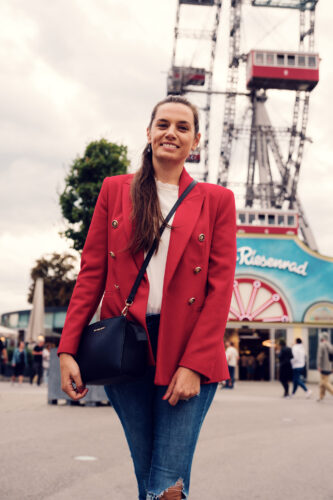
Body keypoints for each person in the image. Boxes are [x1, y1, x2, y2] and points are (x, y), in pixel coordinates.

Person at [58, 95, 237, 500]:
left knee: (166, 480)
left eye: (182, 127)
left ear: (196, 140)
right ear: (149, 132)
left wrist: (194, 364)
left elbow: (220, 287)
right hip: (126, 346)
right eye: (163, 124)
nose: (171, 132)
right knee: (148, 475)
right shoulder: (115, 190)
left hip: (188, 348)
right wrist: (68, 348)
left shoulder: (217, 200)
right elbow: (91, 273)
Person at [316, 331, 333, 402]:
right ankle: (321, 396)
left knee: (324, 382)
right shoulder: (330, 345)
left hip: (323, 367)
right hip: (329, 367)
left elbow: (319, 356)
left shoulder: (321, 345)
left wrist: (319, 365)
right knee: (323, 382)